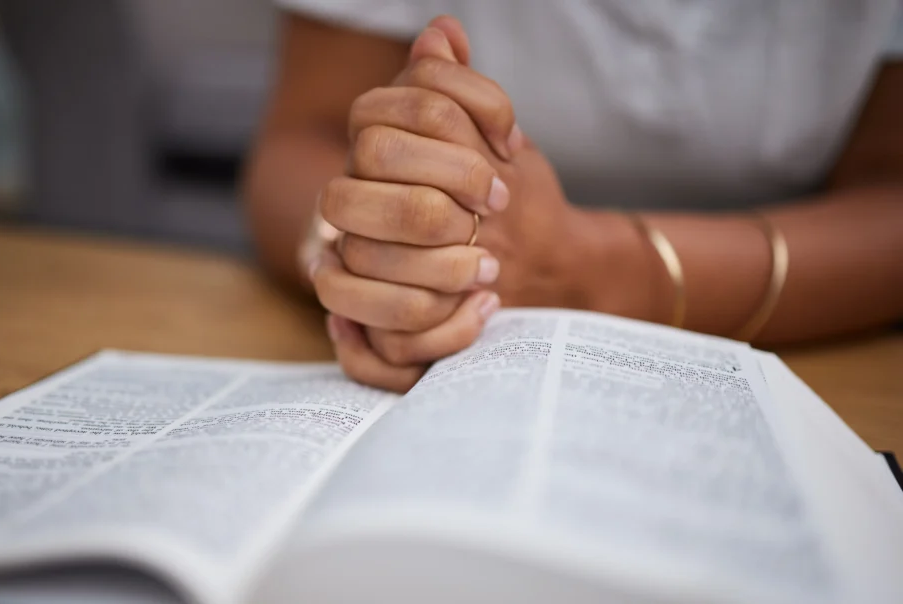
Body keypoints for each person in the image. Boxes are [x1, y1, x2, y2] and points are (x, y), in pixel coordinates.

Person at [244, 1, 903, 392]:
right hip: (477, 362)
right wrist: (365, 248)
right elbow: (306, 136)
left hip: (818, 353)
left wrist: (609, 270)